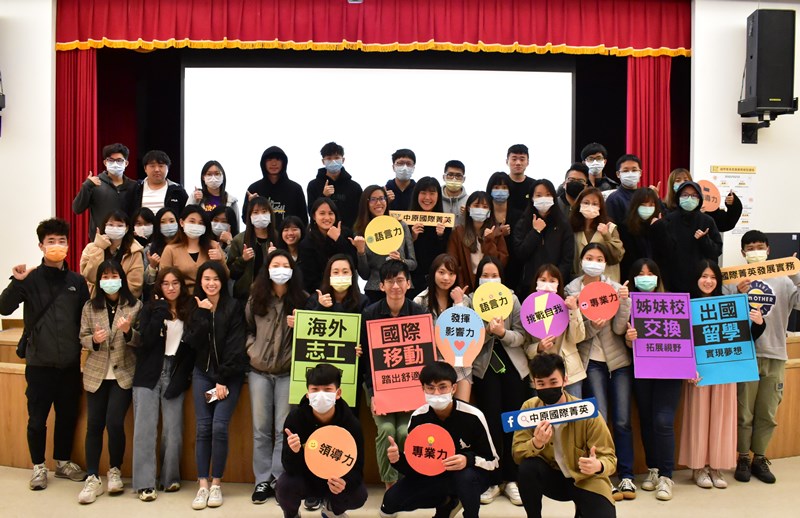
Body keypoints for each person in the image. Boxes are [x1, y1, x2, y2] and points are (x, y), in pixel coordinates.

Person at [0, 218, 90, 490]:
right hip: (39, 363)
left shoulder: (77, 281)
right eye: (51, 241)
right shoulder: (30, 279)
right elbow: (4, 308)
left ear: (68, 245)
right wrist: (16, 283)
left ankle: (62, 462)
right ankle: (38, 467)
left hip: (69, 364)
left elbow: (85, 317)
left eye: (62, 241)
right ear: (41, 246)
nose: (57, 245)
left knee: (67, 416)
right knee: (37, 419)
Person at [679, 259, 765, 490]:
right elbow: (679, 341)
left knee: (722, 418)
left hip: (725, 371)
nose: (708, 281)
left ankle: (716, 467)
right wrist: (687, 367)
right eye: (704, 276)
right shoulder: (686, 305)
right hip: (698, 373)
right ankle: (698, 468)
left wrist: (758, 323)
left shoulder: (729, 304)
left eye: (713, 277)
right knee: (698, 419)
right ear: (696, 278)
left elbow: (747, 336)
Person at [380, 361, 499, 518]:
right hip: (435, 477)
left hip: (469, 475)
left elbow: (493, 461)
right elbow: (415, 467)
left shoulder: (473, 416)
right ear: (423, 389)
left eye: (442, 387)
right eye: (430, 388)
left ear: (453, 388)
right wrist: (397, 460)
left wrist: (467, 460)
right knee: (390, 501)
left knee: (465, 477)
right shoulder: (418, 418)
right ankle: (447, 503)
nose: (436, 393)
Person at [565, 242, 634, 501]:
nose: (594, 262)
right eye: (589, 257)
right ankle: (603, 476)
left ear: (606, 263)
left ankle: (627, 476)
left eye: (599, 258)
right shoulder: (571, 290)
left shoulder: (615, 288)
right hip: (591, 362)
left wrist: (624, 302)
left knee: (623, 421)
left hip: (618, 362)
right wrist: (594, 325)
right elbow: (577, 335)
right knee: (600, 421)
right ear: (581, 260)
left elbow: (619, 329)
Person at [512, 353, 618, 518]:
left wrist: (598, 465)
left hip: (585, 478)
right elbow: (517, 454)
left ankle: (581, 511)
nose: (548, 387)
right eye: (541, 383)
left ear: (565, 380)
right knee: (528, 468)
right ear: (534, 383)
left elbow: (610, 457)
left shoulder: (587, 411)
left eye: (553, 382)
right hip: (551, 478)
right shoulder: (528, 409)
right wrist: (536, 443)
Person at [731, 231, 799, 484]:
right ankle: (742, 458)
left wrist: (796, 274)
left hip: (775, 353)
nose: (755, 251)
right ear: (743, 253)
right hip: (745, 355)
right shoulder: (734, 279)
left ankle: (759, 457)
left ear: (768, 250)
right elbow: (723, 315)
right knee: (744, 412)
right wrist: (737, 294)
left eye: (760, 247)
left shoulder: (784, 280)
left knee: (768, 412)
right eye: (750, 248)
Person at [246, 249, 309, 504]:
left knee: (284, 428)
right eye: (275, 265)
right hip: (258, 371)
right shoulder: (256, 298)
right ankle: (261, 480)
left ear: (292, 270)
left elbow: (311, 340)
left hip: (287, 372)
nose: (280, 269)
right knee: (260, 429)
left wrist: (300, 326)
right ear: (268, 269)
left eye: (285, 265)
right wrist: (251, 349)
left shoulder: (303, 299)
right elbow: (248, 329)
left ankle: (277, 478)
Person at [77, 260, 142, 504]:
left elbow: (141, 340)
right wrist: (93, 340)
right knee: (94, 425)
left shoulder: (135, 305)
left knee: (114, 423)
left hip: (123, 373)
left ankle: (115, 470)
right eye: (105, 276)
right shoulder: (89, 306)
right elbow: (82, 336)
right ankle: (93, 476)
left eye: (114, 275)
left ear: (122, 278)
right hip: (96, 373)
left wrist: (128, 332)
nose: (110, 280)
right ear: (99, 280)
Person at [184, 261, 248, 510]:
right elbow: (192, 342)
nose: (211, 283)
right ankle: (202, 485)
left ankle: (216, 484)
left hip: (228, 376)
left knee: (219, 426)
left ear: (223, 281)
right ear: (200, 281)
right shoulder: (194, 305)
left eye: (216, 279)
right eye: (206, 279)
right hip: (202, 374)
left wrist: (222, 379)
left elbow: (236, 346)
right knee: (203, 428)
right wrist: (202, 314)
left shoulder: (233, 306)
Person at [361, 260, 428, 490]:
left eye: (400, 280)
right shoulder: (370, 314)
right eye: (390, 281)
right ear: (381, 286)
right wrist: (373, 393)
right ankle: (390, 486)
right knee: (387, 430)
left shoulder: (419, 313)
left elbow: (424, 359)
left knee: (404, 431)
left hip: (411, 389)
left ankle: (407, 483)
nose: (396, 286)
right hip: (379, 388)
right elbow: (367, 360)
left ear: (409, 283)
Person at [470, 255, 529, 506]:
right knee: (491, 423)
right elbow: (468, 339)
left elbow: (522, 336)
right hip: (485, 370)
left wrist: (503, 333)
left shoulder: (512, 299)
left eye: (494, 276)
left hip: (513, 368)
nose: (490, 280)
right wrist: (487, 331)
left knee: (512, 423)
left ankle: (512, 479)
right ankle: (493, 480)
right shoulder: (470, 301)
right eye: (485, 275)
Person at [132, 267, 195, 502]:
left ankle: (169, 477)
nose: (171, 287)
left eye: (175, 283)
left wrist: (183, 376)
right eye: (166, 283)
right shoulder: (150, 308)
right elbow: (145, 341)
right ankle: (145, 484)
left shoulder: (190, 309)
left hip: (175, 371)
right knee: (145, 430)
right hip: (148, 372)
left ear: (181, 285)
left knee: (173, 429)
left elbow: (193, 346)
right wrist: (159, 311)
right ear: (159, 286)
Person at [277, 363, 368, 518]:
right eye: (315, 389)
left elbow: (357, 468)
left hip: (334, 480)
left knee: (358, 494)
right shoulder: (296, 418)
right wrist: (294, 452)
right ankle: (291, 514)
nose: (321, 395)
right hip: (306, 478)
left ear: (338, 393)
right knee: (284, 485)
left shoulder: (351, 423)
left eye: (327, 389)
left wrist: (345, 482)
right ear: (308, 393)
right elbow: (288, 467)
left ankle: (332, 509)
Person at [623, 258, 679, 501]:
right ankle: (654, 469)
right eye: (640, 274)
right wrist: (629, 339)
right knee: (646, 419)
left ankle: (667, 476)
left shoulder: (674, 302)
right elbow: (622, 339)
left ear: (658, 277)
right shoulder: (629, 304)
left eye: (650, 273)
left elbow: (685, 337)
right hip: (642, 369)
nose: (646, 278)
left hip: (670, 369)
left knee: (663, 421)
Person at [413, 254, 472, 400]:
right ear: (433, 273)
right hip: (432, 367)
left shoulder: (464, 300)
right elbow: (417, 340)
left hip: (460, 366)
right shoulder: (420, 301)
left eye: (451, 273)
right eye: (441, 272)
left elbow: (468, 334)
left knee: (461, 408)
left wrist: (458, 304)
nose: (446, 278)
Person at [526, 264, 585, 397]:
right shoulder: (528, 309)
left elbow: (578, 338)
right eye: (543, 280)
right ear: (536, 282)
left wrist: (574, 310)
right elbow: (525, 347)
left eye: (552, 281)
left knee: (573, 409)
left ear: (559, 284)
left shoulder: (567, 305)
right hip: (541, 374)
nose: (547, 284)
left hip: (570, 373)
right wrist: (539, 347)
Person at [352, 185, 417, 302]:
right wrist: (361, 252)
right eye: (373, 199)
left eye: (382, 198)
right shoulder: (360, 232)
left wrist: (401, 260)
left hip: (402, 288)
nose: (378, 203)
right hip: (375, 290)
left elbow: (413, 264)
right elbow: (364, 275)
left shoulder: (400, 225)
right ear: (365, 203)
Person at [513, 179, 574, 298]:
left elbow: (567, 258)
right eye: (539, 195)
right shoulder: (523, 222)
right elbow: (520, 253)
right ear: (532, 198)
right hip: (529, 286)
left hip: (555, 286)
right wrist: (535, 232)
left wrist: (554, 281)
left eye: (548, 195)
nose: (544, 198)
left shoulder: (563, 224)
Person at [663, 181, 723, 293]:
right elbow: (661, 253)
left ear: (700, 199)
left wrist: (704, 240)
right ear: (678, 197)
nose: (689, 198)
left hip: (702, 284)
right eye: (685, 195)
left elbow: (717, 251)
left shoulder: (707, 221)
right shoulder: (669, 220)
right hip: (673, 283)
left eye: (694, 195)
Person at [72, 143, 137, 240]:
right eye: (111, 160)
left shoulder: (133, 186)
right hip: (100, 241)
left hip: (126, 241)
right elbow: (77, 209)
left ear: (126, 163)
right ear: (105, 162)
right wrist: (86, 186)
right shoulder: (94, 183)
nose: (115, 164)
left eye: (119, 160)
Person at [447, 191, 509, 290]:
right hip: (465, 286)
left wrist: (489, 241)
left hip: (490, 284)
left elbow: (501, 262)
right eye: (476, 206)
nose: (480, 209)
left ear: (490, 211)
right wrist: (461, 286)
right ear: (468, 208)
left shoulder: (496, 232)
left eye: (485, 207)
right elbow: (453, 262)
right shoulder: (458, 233)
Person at [159, 206, 228, 294]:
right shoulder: (170, 249)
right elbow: (163, 279)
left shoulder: (214, 246)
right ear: (181, 222)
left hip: (210, 296)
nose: (196, 226)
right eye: (192, 221)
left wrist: (220, 260)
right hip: (182, 298)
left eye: (200, 223)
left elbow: (226, 276)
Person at [80, 210, 145, 298]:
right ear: (105, 226)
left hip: (125, 301)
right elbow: (90, 277)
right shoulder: (91, 248)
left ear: (126, 228)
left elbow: (135, 285)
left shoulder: (134, 251)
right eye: (110, 225)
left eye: (120, 226)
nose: (115, 228)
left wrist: (113, 296)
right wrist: (99, 248)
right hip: (97, 299)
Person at [297, 197, 357, 294]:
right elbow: (309, 278)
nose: (327, 218)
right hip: (320, 294)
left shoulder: (346, 234)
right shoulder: (307, 243)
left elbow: (354, 263)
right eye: (322, 213)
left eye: (330, 213)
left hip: (347, 291)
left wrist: (339, 240)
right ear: (314, 216)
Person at [617, 188, 674, 286]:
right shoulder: (625, 227)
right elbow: (627, 259)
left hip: (657, 280)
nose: (647, 208)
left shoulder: (661, 225)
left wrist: (659, 228)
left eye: (651, 205)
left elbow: (668, 253)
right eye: (643, 204)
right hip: (633, 279)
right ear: (636, 205)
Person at [227, 196, 277, 305]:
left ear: (270, 214)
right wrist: (242, 260)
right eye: (255, 212)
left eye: (264, 211)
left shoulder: (278, 238)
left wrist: (275, 258)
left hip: (272, 296)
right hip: (244, 298)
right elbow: (231, 273)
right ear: (250, 216)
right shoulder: (239, 240)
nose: (260, 216)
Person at [243, 145, 308, 228]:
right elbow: (245, 219)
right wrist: (251, 204)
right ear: (263, 163)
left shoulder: (295, 189)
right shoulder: (254, 189)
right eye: (269, 160)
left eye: (278, 159)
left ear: (284, 162)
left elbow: (303, 220)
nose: (274, 163)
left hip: (288, 235)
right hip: (262, 235)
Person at [408, 177, 452, 298]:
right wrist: (412, 238)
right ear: (417, 195)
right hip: (411, 281)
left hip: (436, 281)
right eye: (423, 193)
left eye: (432, 193)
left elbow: (447, 254)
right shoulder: (406, 220)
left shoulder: (445, 222)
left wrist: (441, 236)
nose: (427, 197)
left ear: (438, 196)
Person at [569, 187, 624, 282]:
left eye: (595, 204)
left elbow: (617, 256)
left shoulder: (610, 227)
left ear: (600, 207)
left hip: (607, 282)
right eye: (586, 203)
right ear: (579, 204)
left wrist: (606, 236)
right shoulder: (572, 228)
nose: (590, 206)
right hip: (581, 281)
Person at [664, 168, 743, 232]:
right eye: (678, 180)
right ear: (671, 185)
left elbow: (726, 223)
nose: (682, 183)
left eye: (686, 180)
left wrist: (733, 204)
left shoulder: (704, 203)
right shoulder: (665, 206)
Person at [306, 141, 363, 229]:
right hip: (321, 234)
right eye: (329, 158)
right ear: (323, 161)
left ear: (343, 160)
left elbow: (361, 213)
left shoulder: (354, 187)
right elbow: (311, 212)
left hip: (348, 234)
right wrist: (323, 196)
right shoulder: (313, 185)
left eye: (336, 158)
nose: (333, 162)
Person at [129, 150, 188, 215]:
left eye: (161, 166)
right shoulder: (136, 188)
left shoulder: (177, 190)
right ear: (145, 168)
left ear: (168, 168)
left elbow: (186, 214)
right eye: (152, 166)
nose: (157, 170)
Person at [143, 207, 180, 290]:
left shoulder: (185, 246)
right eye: (163, 222)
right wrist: (152, 267)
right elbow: (146, 283)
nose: (168, 225)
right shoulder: (149, 249)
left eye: (171, 221)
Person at [605, 154, 644, 225]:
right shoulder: (613, 199)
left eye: (634, 170)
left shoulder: (645, 195)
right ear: (618, 174)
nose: (630, 174)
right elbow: (611, 226)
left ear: (640, 173)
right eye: (625, 171)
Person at [506, 144, 535, 215]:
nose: (518, 163)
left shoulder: (534, 185)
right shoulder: (500, 184)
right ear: (507, 161)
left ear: (527, 162)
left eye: (522, 159)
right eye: (514, 159)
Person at [441, 160, 468, 225]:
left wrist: (468, 215)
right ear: (444, 177)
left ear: (464, 179)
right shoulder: (435, 199)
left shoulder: (469, 201)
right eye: (450, 175)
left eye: (458, 176)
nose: (454, 179)